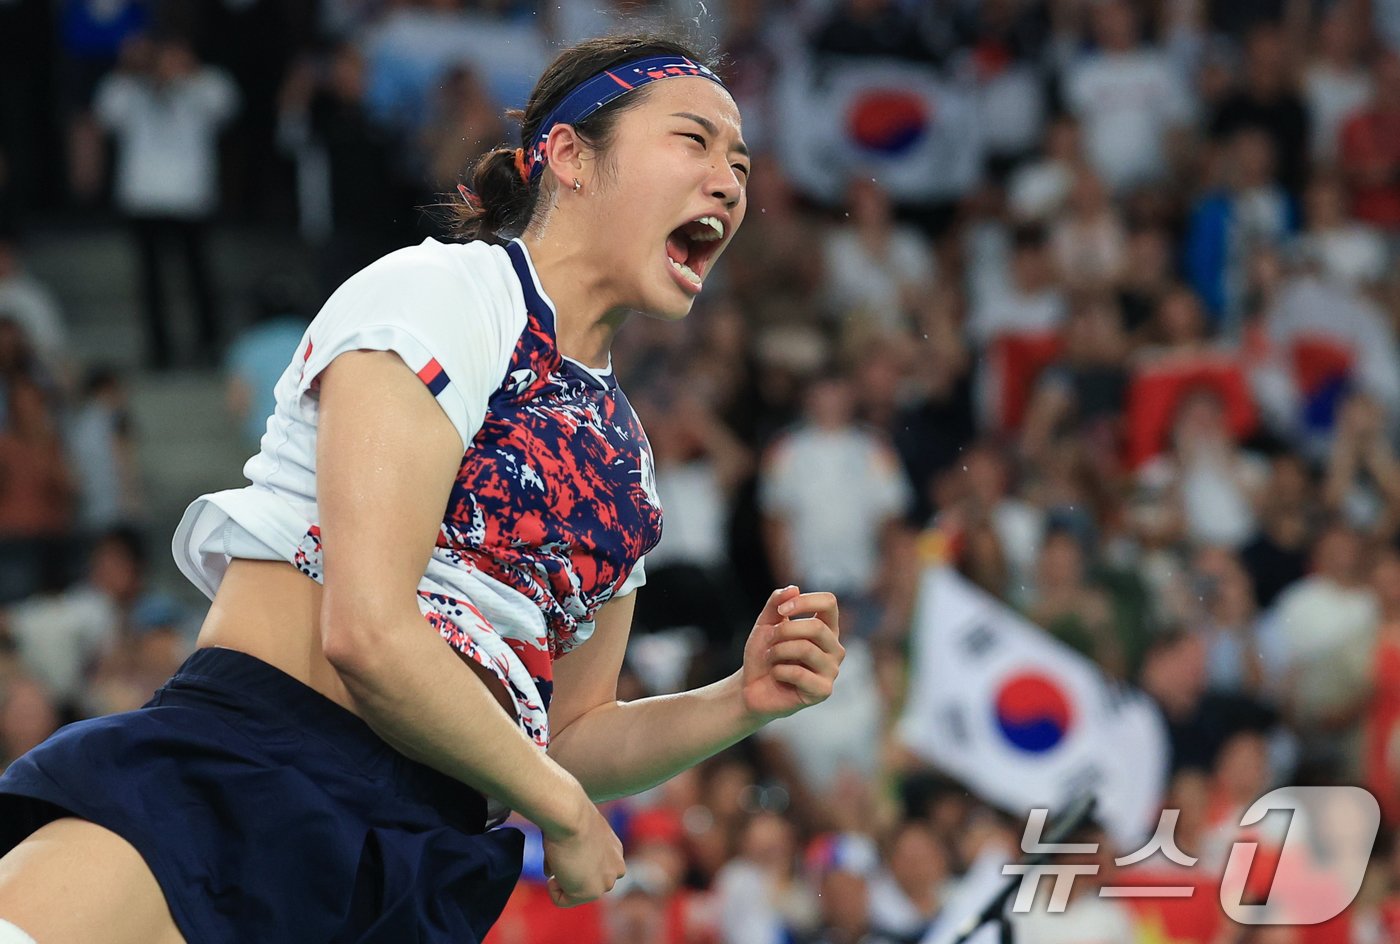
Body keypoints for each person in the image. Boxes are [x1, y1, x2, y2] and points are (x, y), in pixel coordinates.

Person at [0, 34, 846, 944]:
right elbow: (367, 630)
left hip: (415, 858)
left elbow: (566, 734)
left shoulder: (627, 461)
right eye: (695, 140)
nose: (730, 181)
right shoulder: (442, 291)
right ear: (568, 156)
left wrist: (737, 699)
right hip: (250, 770)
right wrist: (558, 810)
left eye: (742, 162)